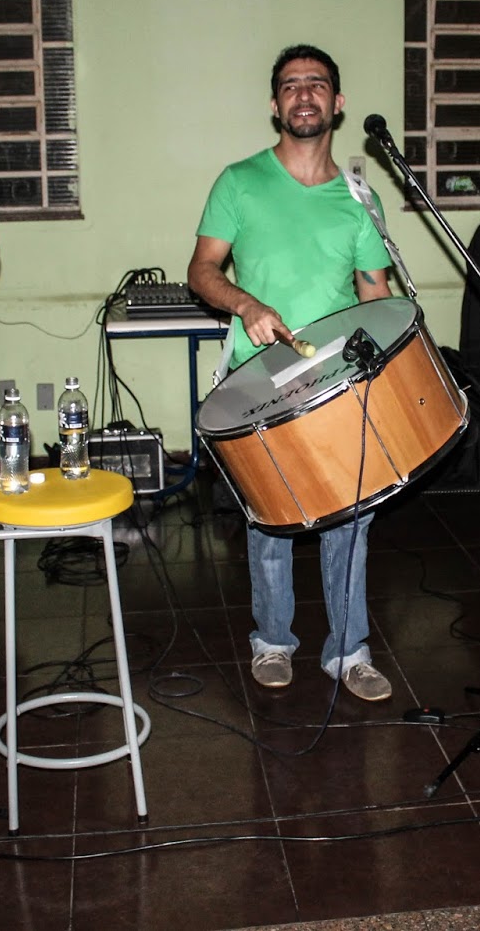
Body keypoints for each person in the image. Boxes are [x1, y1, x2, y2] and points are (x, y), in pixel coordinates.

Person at [188, 44, 396, 702]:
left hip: (336, 383)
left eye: (317, 83)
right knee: (270, 519)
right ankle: (273, 641)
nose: (304, 94)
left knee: (350, 517)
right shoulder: (239, 182)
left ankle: (348, 652)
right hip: (256, 381)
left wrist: (381, 370)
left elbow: (375, 294)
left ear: (338, 102)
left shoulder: (358, 199)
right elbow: (202, 270)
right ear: (275, 105)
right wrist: (245, 304)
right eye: (290, 85)